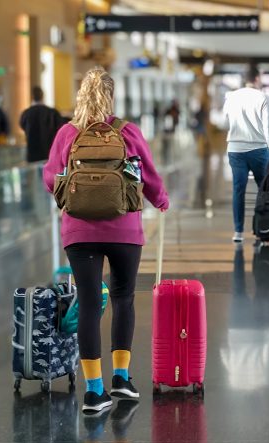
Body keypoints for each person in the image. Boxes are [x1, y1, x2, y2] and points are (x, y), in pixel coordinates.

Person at [42, 67, 170, 413]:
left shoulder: (67, 133)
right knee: (124, 299)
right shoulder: (126, 131)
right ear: (111, 97)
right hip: (124, 230)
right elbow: (149, 173)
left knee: (87, 304)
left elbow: (51, 178)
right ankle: (122, 379)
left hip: (79, 231)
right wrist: (161, 201)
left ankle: (94, 392)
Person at [222, 66, 269, 243]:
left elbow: (224, 120)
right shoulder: (263, 98)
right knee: (264, 189)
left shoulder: (231, 97)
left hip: (235, 149)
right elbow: (268, 128)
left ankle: (238, 232)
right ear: (257, 79)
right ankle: (263, 228)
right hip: (258, 150)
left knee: (238, 190)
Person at [19, 86, 65, 163]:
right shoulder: (53, 113)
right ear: (43, 96)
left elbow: (22, 126)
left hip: (32, 155)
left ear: (31, 97)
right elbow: (61, 130)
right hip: (50, 154)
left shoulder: (26, 114)